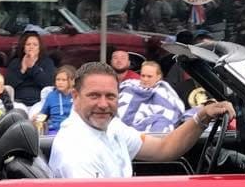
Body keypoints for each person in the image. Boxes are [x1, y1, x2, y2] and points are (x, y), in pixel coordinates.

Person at [49, 62, 234, 179]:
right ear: (75, 96)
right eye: (94, 96)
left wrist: (202, 116)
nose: (103, 104)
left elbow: (164, 148)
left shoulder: (112, 127)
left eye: (111, 96)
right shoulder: (76, 152)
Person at [118, 60, 186, 134]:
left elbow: (169, 117)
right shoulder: (128, 87)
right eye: (143, 75)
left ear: (158, 77)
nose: (145, 79)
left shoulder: (163, 94)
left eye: (149, 76)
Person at [5, 32, 55, 106]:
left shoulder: (47, 62)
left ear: (39, 48)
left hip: (40, 102)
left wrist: (33, 67)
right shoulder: (15, 62)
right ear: (24, 48)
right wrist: (22, 70)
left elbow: (48, 83)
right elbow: (9, 84)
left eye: (35, 45)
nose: (31, 47)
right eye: (28, 44)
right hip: (18, 101)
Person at [34, 64, 75, 134]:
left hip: (73, 130)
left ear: (72, 81)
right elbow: (43, 114)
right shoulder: (51, 96)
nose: (60, 82)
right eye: (58, 79)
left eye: (63, 80)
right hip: (54, 131)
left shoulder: (78, 95)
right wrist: (37, 120)